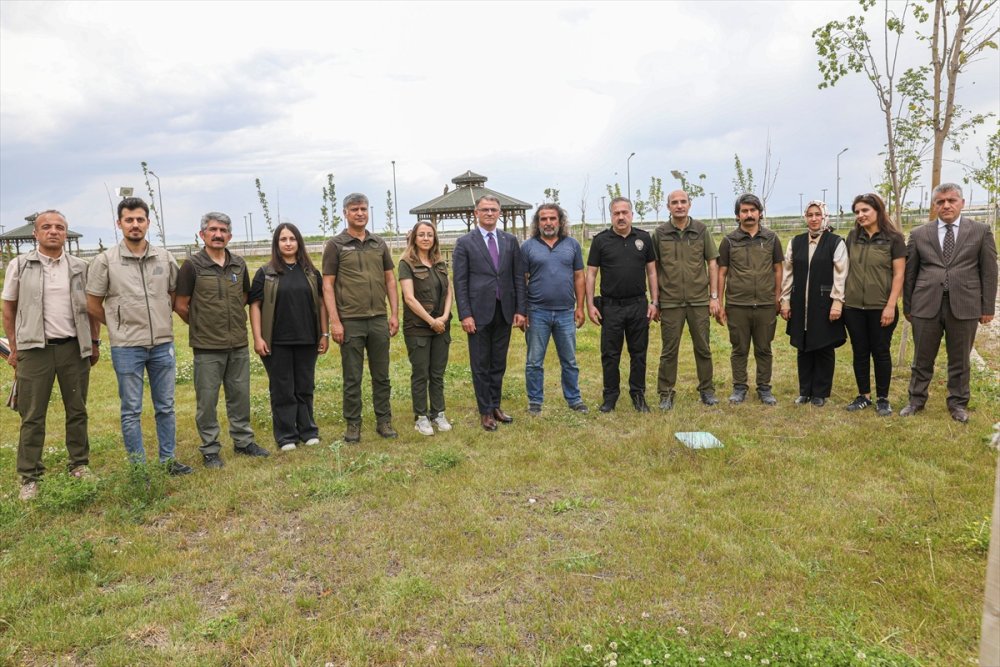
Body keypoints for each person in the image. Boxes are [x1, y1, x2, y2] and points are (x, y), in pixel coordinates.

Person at [86, 197, 192, 475]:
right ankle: (138, 467)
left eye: (140, 219)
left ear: (148, 222)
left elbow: (173, 295)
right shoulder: (105, 261)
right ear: (119, 223)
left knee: (166, 406)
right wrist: (117, 325)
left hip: (162, 344)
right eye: (129, 220)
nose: (135, 224)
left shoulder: (165, 258)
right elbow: (92, 303)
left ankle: (168, 460)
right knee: (131, 409)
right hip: (126, 347)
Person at [2, 210, 101, 501]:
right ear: (36, 233)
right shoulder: (21, 265)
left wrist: (94, 342)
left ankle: (79, 465)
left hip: (74, 348)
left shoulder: (81, 267)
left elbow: (92, 308)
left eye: (59, 227)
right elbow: (8, 309)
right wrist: (14, 348)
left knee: (78, 409)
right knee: (32, 415)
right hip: (35, 350)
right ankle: (29, 476)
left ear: (66, 233)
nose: (53, 231)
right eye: (47, 227)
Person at [174, 212, 270, 468]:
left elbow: (245, 297)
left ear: (230, 235)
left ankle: (243, 441)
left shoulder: (238, 264)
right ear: (202, 234)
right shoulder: (191, 266)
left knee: (240, 395)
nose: (218, 234)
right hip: (207, 347)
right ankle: (210, 448)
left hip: (237, 343)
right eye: (213, 229)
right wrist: (202, 325)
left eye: (223, 230)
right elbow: (181, 305)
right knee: (207, 401)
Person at [902, 182, 997, 423]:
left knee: (960, 358)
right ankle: (916, 400)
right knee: (922, 357)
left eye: (951, 200)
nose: (946, 205)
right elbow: (910, 273)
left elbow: (989, 272)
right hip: (926, 304)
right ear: (934, 206)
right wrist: (908, 306)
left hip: (965, 304)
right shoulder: (919, 234)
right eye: (940, 202)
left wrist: (987, 308)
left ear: (961, 203)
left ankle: (958, 404)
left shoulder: (980, 231)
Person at [322, 193, 400, 442]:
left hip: (378, 318)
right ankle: (353, 424)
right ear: (345, 213)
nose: (360, 213)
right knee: (352, 376)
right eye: (355, 209)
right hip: (350, 321)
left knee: (382, 375)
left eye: (364, 209)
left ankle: (384, 421)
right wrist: (335, 321)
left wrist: (394, 313)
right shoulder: (335, 245)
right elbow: (327, 285)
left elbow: (390, 279)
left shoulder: (379, 243)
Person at [249, 223, 329, 451]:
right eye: (283, 239)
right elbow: (255, 306)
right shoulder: (266, 273)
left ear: (299, 243)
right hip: (277, 341)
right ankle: (286, 436)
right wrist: (258, 337)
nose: (288, 243)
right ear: (276, 244)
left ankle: (308, 430)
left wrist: (324, 334)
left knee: (304, 387)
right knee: (282, 389)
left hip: (307, 339)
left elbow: (322, 304)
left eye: (292, 239)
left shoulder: (312, 273)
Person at [453, 195, 527, 431]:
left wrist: (520, 310)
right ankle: (485, 411)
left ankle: (495, 405)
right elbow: (460, 281)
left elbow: (518, 277)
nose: (489, 213)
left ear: (499, 212)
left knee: (498, 363)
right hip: (477, 313)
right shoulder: (465, 242)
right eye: (484, 209)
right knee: (480, 363)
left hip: (504, 311)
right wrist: (465, 314)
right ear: (476, 213)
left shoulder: (509, 241)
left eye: (494, 209)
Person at [586, 197, 658, 413]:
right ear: (611, 216)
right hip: (611, 307)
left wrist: (655, 302)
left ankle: (638, 395)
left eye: (625, 212)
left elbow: (652, 271)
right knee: (610, 355)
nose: (621, 217)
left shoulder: (644, 239)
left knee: (639, 354)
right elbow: (591, 274)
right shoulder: (601, 240)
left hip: (638, 305)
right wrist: (590, 305)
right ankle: (610, 396)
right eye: (616, 213)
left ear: (631, 215)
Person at [651, 190, 720, 409]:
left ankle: (707, 391)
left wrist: (714, 296)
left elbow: (712, 263)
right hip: (670, 302)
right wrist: (656, 300)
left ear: (690, 205)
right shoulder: (660, 233)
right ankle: (666, 394)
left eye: (683, 202)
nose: (679, 206)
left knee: (703, 348)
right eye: (674, 202)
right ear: (668, 206)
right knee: (669, 350)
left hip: (699, 300)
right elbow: (653, 268)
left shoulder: (701, 230)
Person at [842, 193, 906, 416]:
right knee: (859, 351)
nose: (860, 215)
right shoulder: (852, 237)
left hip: (881, 307)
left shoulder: (894, 239)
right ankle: (863, 396)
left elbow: (899, 275)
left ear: (878, 210)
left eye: (865, 210)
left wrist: (891, 306)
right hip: (853, 307)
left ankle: (882, 398)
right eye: (857, 212)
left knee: (880, 351)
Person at [521, 204, 588, 415]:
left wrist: (580, 307)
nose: (548, 223)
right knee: (534, 362)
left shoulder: (573, 245)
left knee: (569, 360)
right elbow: (521, 280)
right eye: (543, 219)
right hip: (536, 312)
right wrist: (523, 311)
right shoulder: (528, 247)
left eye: (552, 218)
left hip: (566, 312)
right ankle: (535, 401)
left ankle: (574, 399)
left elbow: (579, 276)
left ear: (560, 221)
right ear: (537, 222)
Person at [779, 200, 848, 407]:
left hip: (825, 303)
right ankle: (805, 391)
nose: (814, 218)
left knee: (824, 346)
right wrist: (785, 301)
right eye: (810, 215)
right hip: (801, 304)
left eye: (818, 214)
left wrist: (837, 302)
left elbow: (841, 275)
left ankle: (820, 392)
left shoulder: (835, 242)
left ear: (824, 216)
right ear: (805, 217)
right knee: (804, 346)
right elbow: (787, 273)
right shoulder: (796, 242)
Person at [717, 193, 784, 405]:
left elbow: (778, 269)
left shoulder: (772, 239)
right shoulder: (729, 241)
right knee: (739, 349)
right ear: (738, 215)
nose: (748, 215)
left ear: (760, 213)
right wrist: (719, 301)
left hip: (765, 304)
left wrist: (777, 296)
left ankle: (764, 388)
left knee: (764, 348)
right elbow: (721, 273)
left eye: (752, 210)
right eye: (744, 211)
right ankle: (739, 387)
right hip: (738, 304)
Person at [398, 221, 453, 435]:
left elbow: (449, 291)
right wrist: (432, 321)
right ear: (414, 238)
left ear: (435, 238)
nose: (426, 238)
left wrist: (445, 317)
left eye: (430, 235)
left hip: (442, 327)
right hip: (419, 328)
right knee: (421, 373)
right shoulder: (406, 263)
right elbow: (409, 298)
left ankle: (438, 413)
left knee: (437, 373)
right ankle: (421, 416)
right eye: (421, 234)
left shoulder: (440, 263)